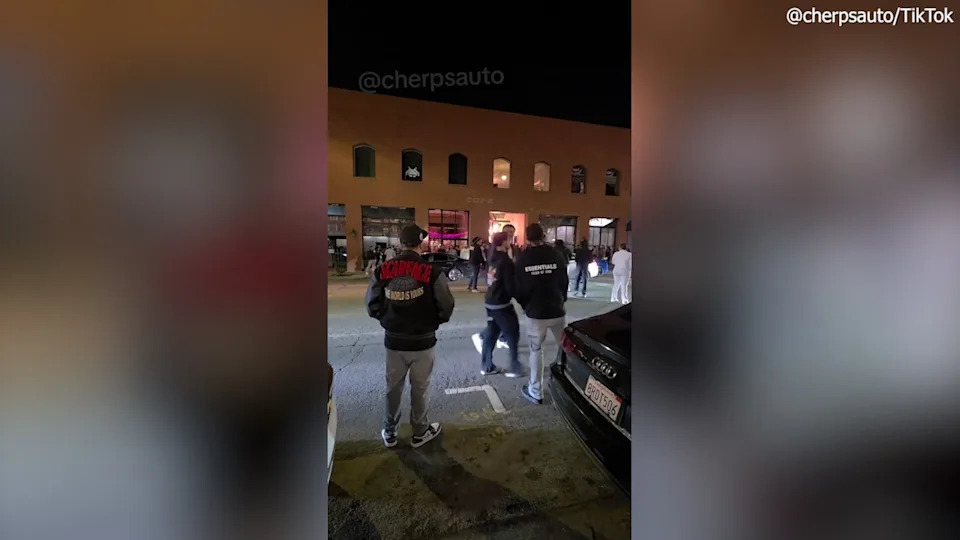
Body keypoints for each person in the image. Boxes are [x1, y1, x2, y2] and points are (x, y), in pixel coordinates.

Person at [366, 224, 455, 449]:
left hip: (394, 340)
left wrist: (387, 319)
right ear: (420, 242)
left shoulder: (383, 269)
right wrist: (433, 322)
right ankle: (420, 432)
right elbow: (446, 305)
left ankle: (390, 432)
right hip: (423, 341)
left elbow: (371, 304)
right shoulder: (432, 271)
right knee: (420, 389)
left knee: (392, 389)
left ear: (400, 243)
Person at [514, 223, 569, 404]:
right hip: (556, 308)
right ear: (543, 236)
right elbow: (564, 280)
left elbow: (519, 287)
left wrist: (525, 305)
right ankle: (568, 383)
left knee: (536, 350)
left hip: (536, 312)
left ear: (527, 238)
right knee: (565, 347)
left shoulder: (523, 258)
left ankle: (536, 391)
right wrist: (562, 299)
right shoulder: (555, 254)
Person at [476, 232, 524, 377]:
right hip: (502, 304)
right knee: (512, 333)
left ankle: (486, 366)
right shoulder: (506, 261)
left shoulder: (492, 257)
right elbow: (510, 286)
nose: (510, 241)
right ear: (504, 242)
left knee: (492, 333)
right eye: (509, 239)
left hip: (490, 302)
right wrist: (523, 301)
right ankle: (515, 367)